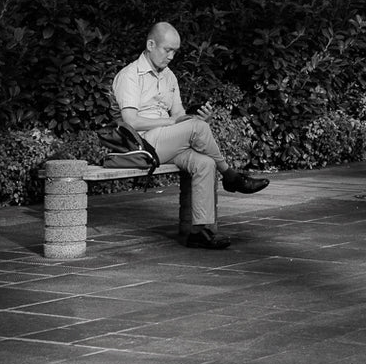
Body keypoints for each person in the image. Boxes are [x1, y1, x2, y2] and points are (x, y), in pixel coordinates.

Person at [113, 22, 269, 250]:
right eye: (168, 50)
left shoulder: (169, 77)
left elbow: (179, 116)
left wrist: (195, 122)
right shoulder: (130, 75)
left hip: (166, 141)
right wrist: (178, 123)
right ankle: (231, 175)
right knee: (196, 129)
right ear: (150, 45)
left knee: (204, 162)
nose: (172, 57)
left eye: (175, 51)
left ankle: (200, 232)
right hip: (141, 143)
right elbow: (130, 121)